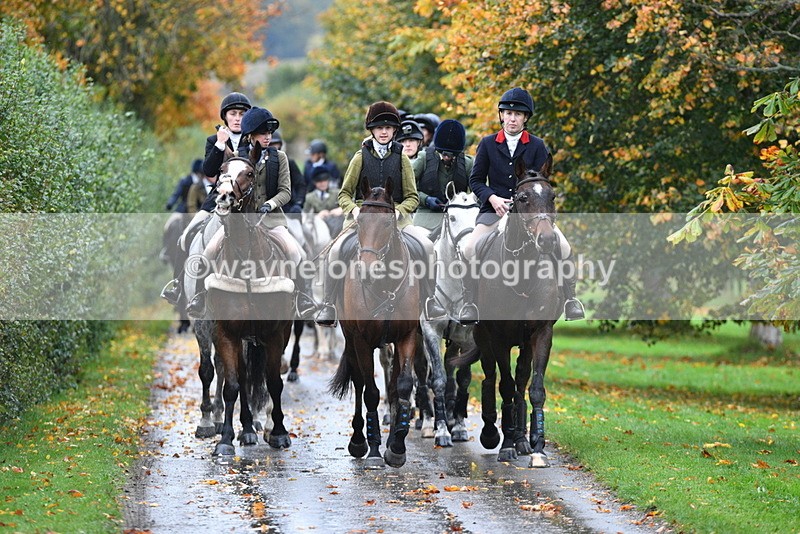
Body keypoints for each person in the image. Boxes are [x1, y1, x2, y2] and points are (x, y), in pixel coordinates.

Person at [458, 87, 585, 325]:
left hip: (531, 214)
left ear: (525, 118)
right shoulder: (487, 144)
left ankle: (571, 299)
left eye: (517, 114)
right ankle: (470, 302)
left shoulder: (537, 145)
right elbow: (475, 181)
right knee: (469, 249)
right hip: (494, 212)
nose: (512, 118)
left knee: (564, 247)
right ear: (501, 116)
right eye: (507, 113)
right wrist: (493, 198)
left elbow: (540, 182)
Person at [314, 101, 445, 326]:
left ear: (395, 130)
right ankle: (328, 305)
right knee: (335, 251)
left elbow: (413, 197)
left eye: (388, 128)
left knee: (426, 246)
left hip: (396, 220)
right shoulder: (360, 157)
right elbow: (344, 194)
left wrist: (396, 213)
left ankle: (430, 301)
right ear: (372, 130)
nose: (383, 132)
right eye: (379, 128)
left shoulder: (402, 157)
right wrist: (354, 210)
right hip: (362, 220)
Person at [185, 106, 318, 319]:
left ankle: (303, 298)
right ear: (251, 136)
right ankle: (200, 297)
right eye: (262, 134)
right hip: (240, 221)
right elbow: (226, 184)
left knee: (295, 252)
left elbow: (286, 191)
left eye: (269, 133)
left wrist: (270, 205)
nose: (268, 137)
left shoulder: (280, 158)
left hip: (272, 220)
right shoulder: (237, 158)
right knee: (209, 251)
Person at [412, 119, 474, 232]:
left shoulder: (468, 163)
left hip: (459, 220)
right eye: (444, 154)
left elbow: (478, 190)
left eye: (451, 155)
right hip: (426, 220)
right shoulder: (423, 158)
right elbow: (407, 187)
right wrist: (425, 199)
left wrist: (464, 201)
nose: (446, 158)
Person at [270, 129, 306, 216]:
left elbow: (300, 185)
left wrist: (298, 203)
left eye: (275, 144)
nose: (273, 147)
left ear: (280, 145)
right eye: (271, 144)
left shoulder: (289, 163)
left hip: (290, 208)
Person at [304, 166, 344, 236]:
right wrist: (317, 216)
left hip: (338, 227)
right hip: (319, 230)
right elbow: (305, 216)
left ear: (328, 180)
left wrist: (340, 209)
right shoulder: (309, 197)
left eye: (325, 180)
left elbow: (350, 204)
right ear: (314, 182)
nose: (322, 183)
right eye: (319, 181)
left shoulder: (337, 193)